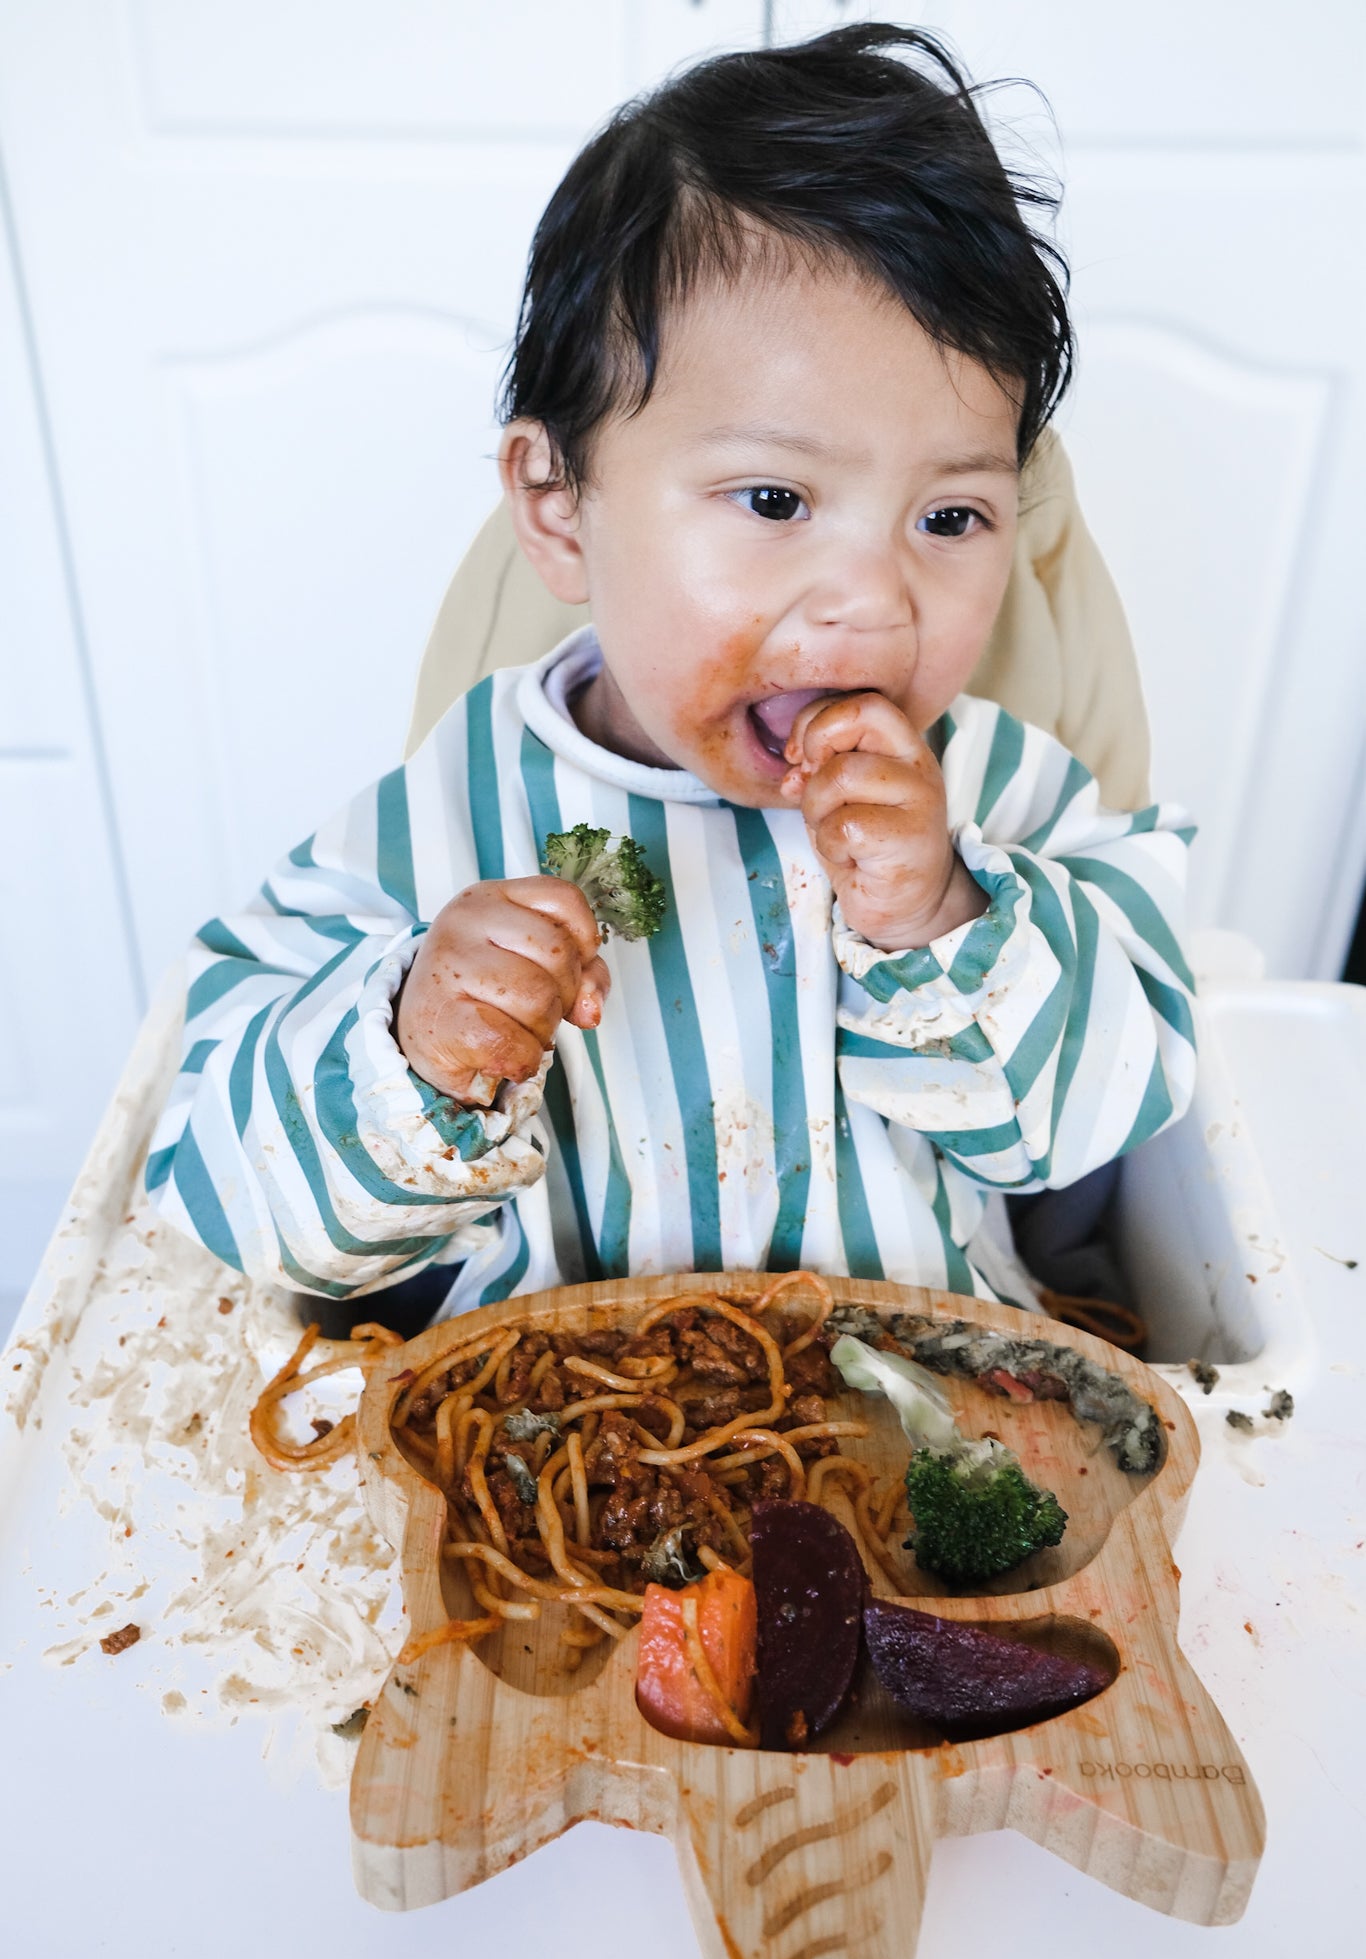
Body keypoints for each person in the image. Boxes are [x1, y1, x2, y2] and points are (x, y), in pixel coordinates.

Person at [146, 25, 1195, 1324]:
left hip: (923, 1426)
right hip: (546, 1444)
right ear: (557, 505)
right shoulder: (438, 823)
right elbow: (238, 1214)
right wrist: (417, 1048)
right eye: (773, 496)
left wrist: (942, 922)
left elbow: (1098, 1131)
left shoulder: (1009, 800)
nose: (873, 599)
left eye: (949, 518)